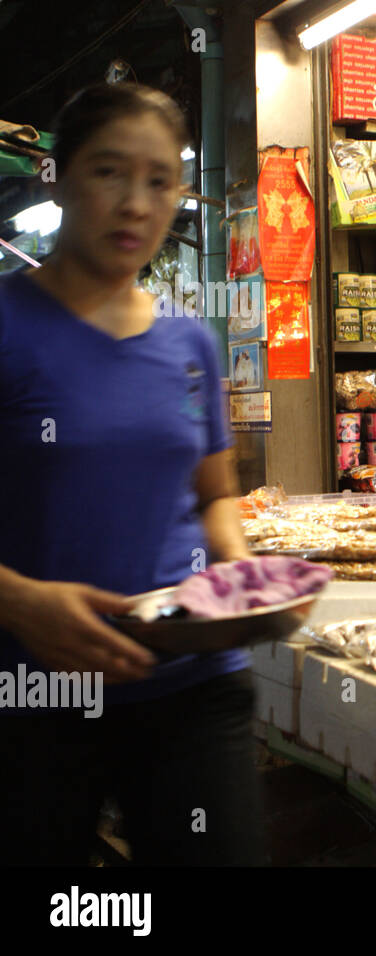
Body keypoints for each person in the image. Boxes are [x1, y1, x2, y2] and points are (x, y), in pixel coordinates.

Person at [0, 83, 262, 866]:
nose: (136, 204)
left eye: (160, 181)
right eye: (109, 172)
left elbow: (214, 495)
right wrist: (21, 603)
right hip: (34, 691)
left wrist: (245, 579)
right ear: (59, 175)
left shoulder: (191, 341)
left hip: (192, 683)